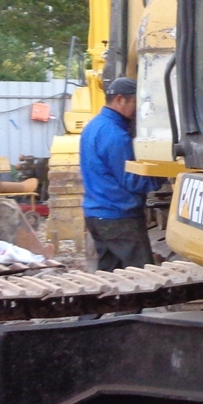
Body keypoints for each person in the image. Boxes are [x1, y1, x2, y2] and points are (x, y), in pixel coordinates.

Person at [80, 77, 164, 271]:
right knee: (143, 276)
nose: (138, 110)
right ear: (119, 99)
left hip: (96, 215)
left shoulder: (93, 126)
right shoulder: (116, 135)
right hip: (119, 218)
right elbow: (132, 181)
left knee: (111, 276)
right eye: (135, 102)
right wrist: (163, 174)